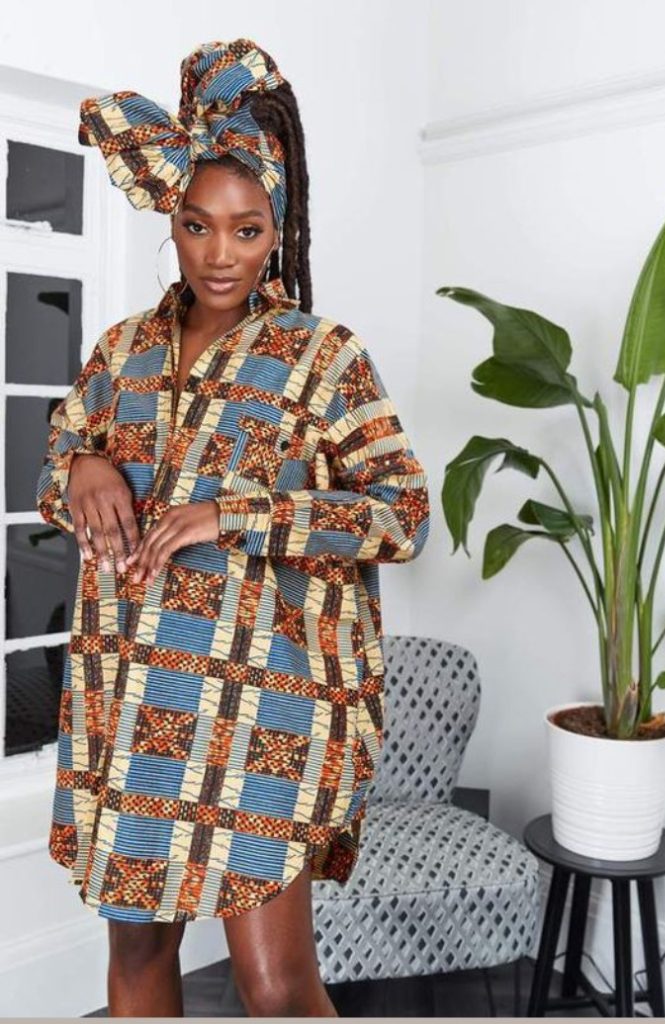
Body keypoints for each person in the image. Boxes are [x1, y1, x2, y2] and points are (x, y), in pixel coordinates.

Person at [37, 38, 429, 1017]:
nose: (220, 254)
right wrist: (80, 465)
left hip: (263, 715)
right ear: (172, 222)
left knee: (276, 984)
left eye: (247, 230)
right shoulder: (120, 355)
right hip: (132, 699)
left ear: (277, 229)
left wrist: (234, 512)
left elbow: (403, 514)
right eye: (197, 225)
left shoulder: (321, 358)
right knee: (137, 957)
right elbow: (59, 468)